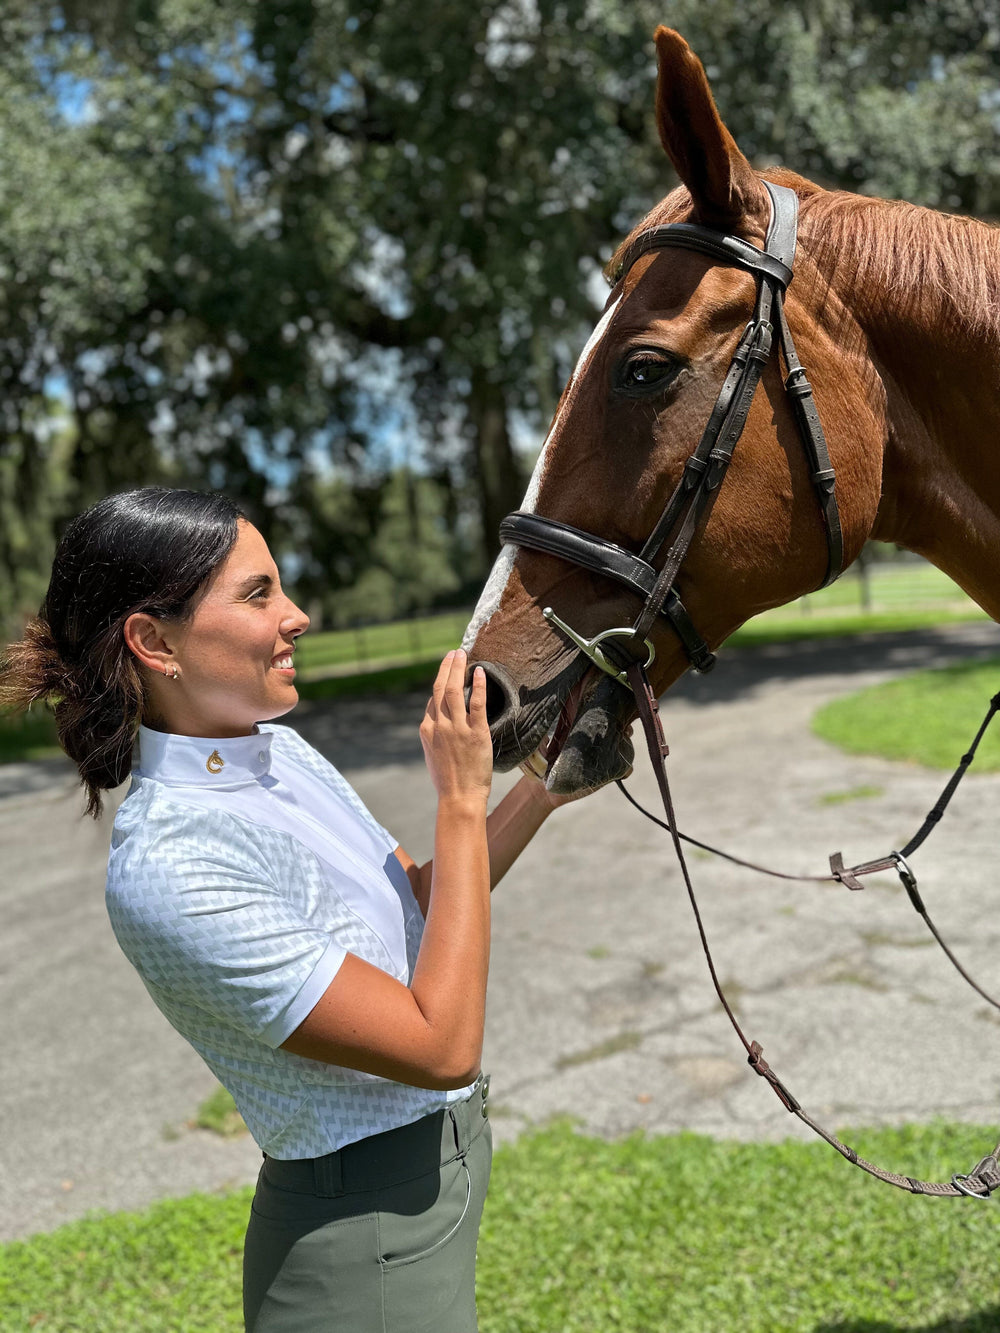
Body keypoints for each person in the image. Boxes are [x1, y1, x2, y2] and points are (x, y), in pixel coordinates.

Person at [0, 486, 576, 1332]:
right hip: (362, 1250)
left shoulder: (279, 752)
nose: (297, 616)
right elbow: (441, 1046)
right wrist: (460, 798)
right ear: (154, 642)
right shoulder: (172, 864)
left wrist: (545, 787)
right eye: (257, 593)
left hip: (428, 1196)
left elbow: (420, 906)